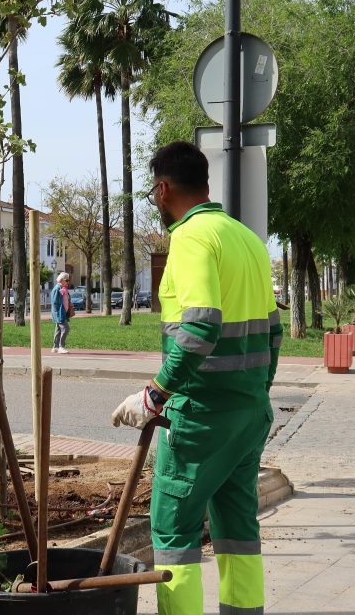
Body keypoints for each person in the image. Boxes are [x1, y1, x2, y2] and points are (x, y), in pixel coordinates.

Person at [111, 141, 280, 615]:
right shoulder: (247, 240)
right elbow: (274, 333)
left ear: (163, 190)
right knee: (238, 531)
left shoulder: (190, 238)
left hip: (200, 416)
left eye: (153, 195)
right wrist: (253, 396)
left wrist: (155, 394)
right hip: (247, 416)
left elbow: (200, 326)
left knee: (173, 533)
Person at [50, 272, 73, 353]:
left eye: (68, 280)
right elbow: (55, 303)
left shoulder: (63, 289)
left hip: (62, 313)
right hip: (59, 314)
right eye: (66, 280)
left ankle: (55, 347)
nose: (68, 282)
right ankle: (61, 346)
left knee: (59, 329)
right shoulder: (57, 289)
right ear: (61, 280)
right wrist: (59, 313)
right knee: (66, 328)